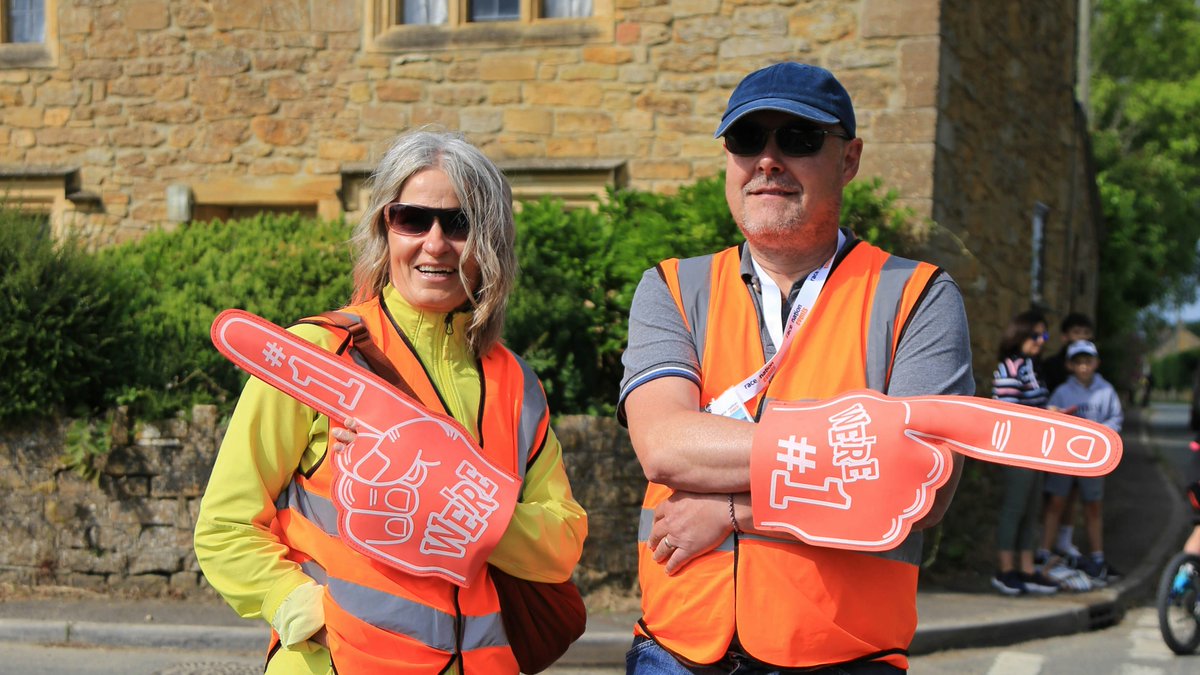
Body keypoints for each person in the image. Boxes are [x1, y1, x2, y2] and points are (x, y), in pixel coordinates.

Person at [618, 62, 974, 674]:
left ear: (850, 158)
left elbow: (922, 490)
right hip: (676, 651)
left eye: (800, 139)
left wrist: (732, 511)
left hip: (844, 657)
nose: (768, 160)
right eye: (747, 140)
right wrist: (852, 463)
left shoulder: (919, 296)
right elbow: (664, 446)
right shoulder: (673, 287)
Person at [194, 130, 587, 674]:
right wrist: (297, 606)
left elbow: (562, 543)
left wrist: (452, 502)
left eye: (459, 223)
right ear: (386, 226)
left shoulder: (516, 383)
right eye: (412, 219)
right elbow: (225, 524)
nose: (434, 242)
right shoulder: (317, 354)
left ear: (490, 241)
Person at [1039, 340, 1124, 583]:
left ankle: (1098, 556)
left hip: (1093, 456)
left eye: (1088, 362)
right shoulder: (1064, 391)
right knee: (1056, 501)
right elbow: (1050, 414)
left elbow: (1115, 418)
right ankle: (1044, 551)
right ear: (1070, 365)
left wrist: (1098, 434)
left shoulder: (1106, 391)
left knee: (1093, 504)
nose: (1084, 367)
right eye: (1079, 363)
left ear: (1096, 363)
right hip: (1065, 455)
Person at [989, 309, 1060, 596]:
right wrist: (1045, 413)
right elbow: (1008, 413)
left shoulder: (1031, 367)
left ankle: (1027, 570)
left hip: (1035, 449)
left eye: (1044, 335)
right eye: (1035, 335)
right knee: (1014, 509)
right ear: (1019, 335)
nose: (1041, 341)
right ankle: (1005, 570)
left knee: (1031, 511)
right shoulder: (1010, 369)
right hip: (1016, 449)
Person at [1037, 313, 1094, 563]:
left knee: (1072, 495)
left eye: (1084, 332)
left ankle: (1063, 541)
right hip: (1056, 438)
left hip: (1080, 442)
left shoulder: (1091, 367)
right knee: (1054, 496)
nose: (1080, 336)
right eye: (1075, 332)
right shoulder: (1051, 366)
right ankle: (1044, 546)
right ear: (1065, 336)